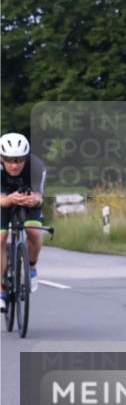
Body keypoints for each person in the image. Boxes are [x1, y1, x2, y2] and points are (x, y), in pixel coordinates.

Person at [1, 132, 47, 311]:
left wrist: (34, 200)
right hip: (3, 199)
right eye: (9, 160)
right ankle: (1, 291)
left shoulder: (36, 166)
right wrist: (9, 199)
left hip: (28, 198)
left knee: (34, 232)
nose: (14, 165)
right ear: (1, 157)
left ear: (26, 157)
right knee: (0, 238)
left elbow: (40, 196)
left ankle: (31, 267)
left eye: (19, 160)